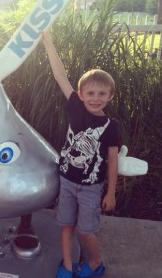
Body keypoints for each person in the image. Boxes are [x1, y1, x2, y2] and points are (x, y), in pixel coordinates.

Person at [42, 31, 120, 278]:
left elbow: (113, 160)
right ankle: (67, 265)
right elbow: (60, 75)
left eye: (101, 94)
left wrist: (110, 192)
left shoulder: (111, 126)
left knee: (86, 230)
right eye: (90, 93)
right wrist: (47, 40)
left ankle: (96, 263)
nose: (95, 98)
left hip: (90, 188)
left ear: (110, 96)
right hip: (66, 182)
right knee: (65, 225)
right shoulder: (75, 108)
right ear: (80, 95)